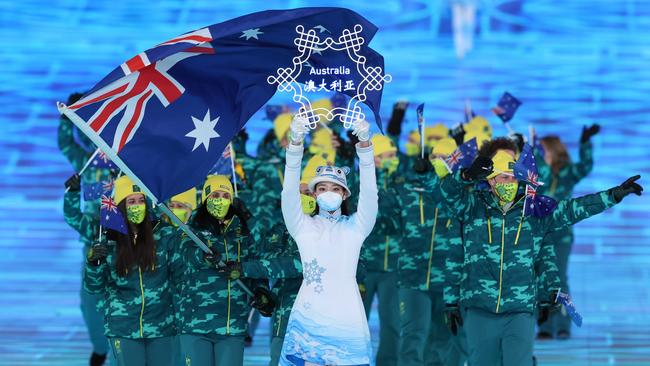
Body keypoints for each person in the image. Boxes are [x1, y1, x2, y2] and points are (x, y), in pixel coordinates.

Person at [442, 146, 643, 366]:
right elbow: (445, 195)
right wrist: (465, 176)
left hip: (520, 309)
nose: (509, 183)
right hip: (480, 309)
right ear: (490, 180)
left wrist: (613, 195)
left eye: (513, 178)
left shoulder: (534, 211)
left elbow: (573, 209)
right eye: (503, 177)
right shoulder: (471, 207)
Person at [279, 115, 377, 365]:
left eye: (335, 189)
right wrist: (295, 143)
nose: (328, 194)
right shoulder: (302, 227)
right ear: (313, 193)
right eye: (321, 189)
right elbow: (288, 191)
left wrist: (365, 146)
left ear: (344, 195)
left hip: (347, 321)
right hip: (308, 321)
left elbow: (370, 193)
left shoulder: (356, 227)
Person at [80, 175, 178, 366]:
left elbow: (182, 271)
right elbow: (94, 288)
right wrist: (93, 263)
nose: (137, 206)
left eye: (141, 200)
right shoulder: (107, 241)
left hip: (161, 326)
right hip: (123, 327)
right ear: (121, 206)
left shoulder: (164, 235)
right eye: (131, 201)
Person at [174, 175, 266, 366]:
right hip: (196, 325)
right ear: (205, 198)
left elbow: (257, 265)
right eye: (215, 194)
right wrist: (203, 257)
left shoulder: (243, 232)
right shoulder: (191, 230)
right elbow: (185, 255)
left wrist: (262, 292)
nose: (220, 199)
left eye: (225, 195)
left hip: (232, 326)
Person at [396, 137, 467, 366]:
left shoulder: (462, 195)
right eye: (435, 157)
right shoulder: (408, 189)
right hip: (412, 278)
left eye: (446, 158)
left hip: (447, 282)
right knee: (413, 336)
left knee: (443, 339)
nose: (440, 162)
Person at [59, 92, 115, 366]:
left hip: (126, 240)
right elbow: (65, 142)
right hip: (93, 239)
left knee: (120, 295)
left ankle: (120, 348)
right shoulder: (87, 160)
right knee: (90, 300)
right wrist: (66, 117)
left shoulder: (130, 160)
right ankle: (100, 346)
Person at [535, 124, 599, 340]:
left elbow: (586, 166)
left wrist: (585, 143)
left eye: (543, 149)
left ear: (552, 150)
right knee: (539, 279)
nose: (541, 153)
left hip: (561, 237)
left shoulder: (567, 173)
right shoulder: (535, 174)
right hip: (538, 236)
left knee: (559, 279)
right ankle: (543, 325)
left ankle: (563, 324)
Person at [360, 134, 402, 366]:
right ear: (374, 159)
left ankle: (388, 363)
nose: (394, 160)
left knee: (392, 322)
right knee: (356, 321)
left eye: (395, 155)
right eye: (388, 156)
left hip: (393, 266)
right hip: (364, 266)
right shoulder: (361, 184)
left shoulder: (403, 183)